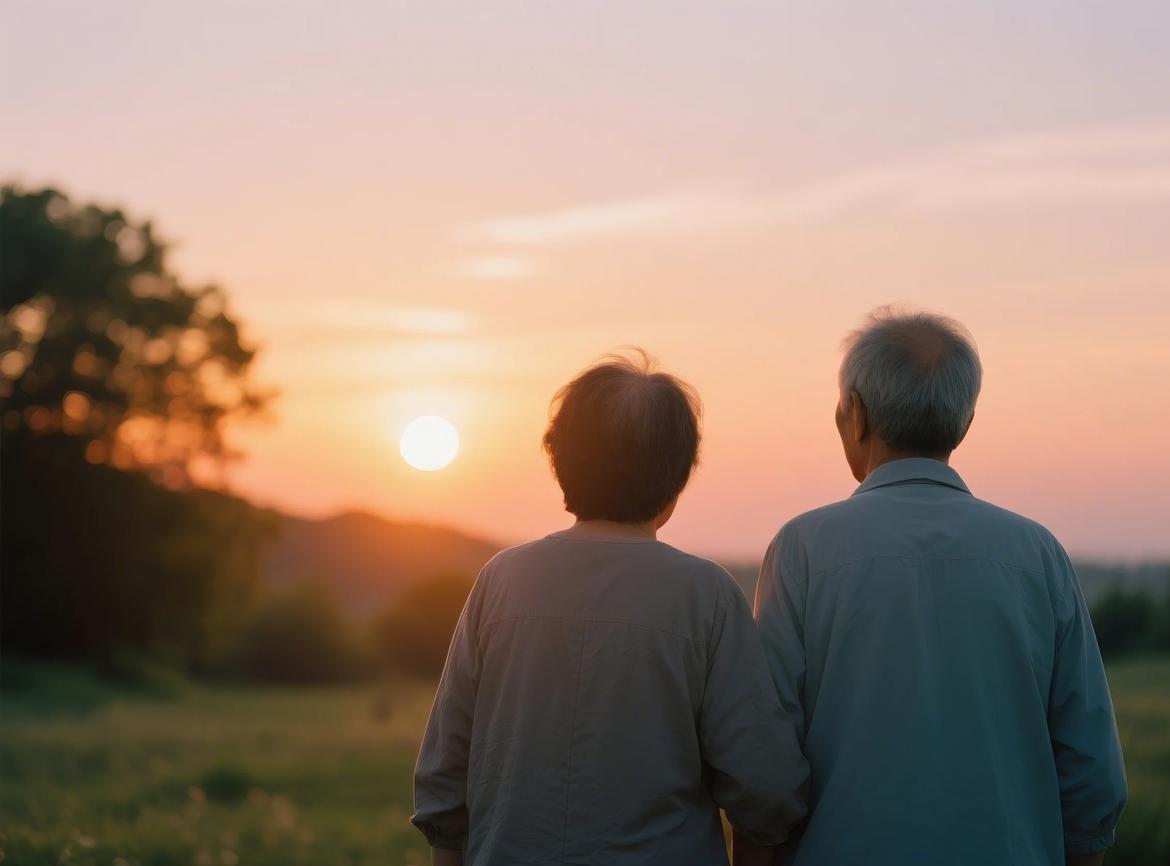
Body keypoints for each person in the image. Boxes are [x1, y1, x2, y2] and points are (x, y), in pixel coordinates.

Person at [754, 307, 1127, 865]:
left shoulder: (803, 549)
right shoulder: (1037, 553)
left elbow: (768, 762)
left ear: (853, 416)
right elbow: (1090, 767)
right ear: (966, 420)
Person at [413, 352, 808, 866]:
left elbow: (446, 771)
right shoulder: (705, 595)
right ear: (678, 477)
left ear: (560, 462)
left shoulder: (501, 581)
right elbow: (763, 787)